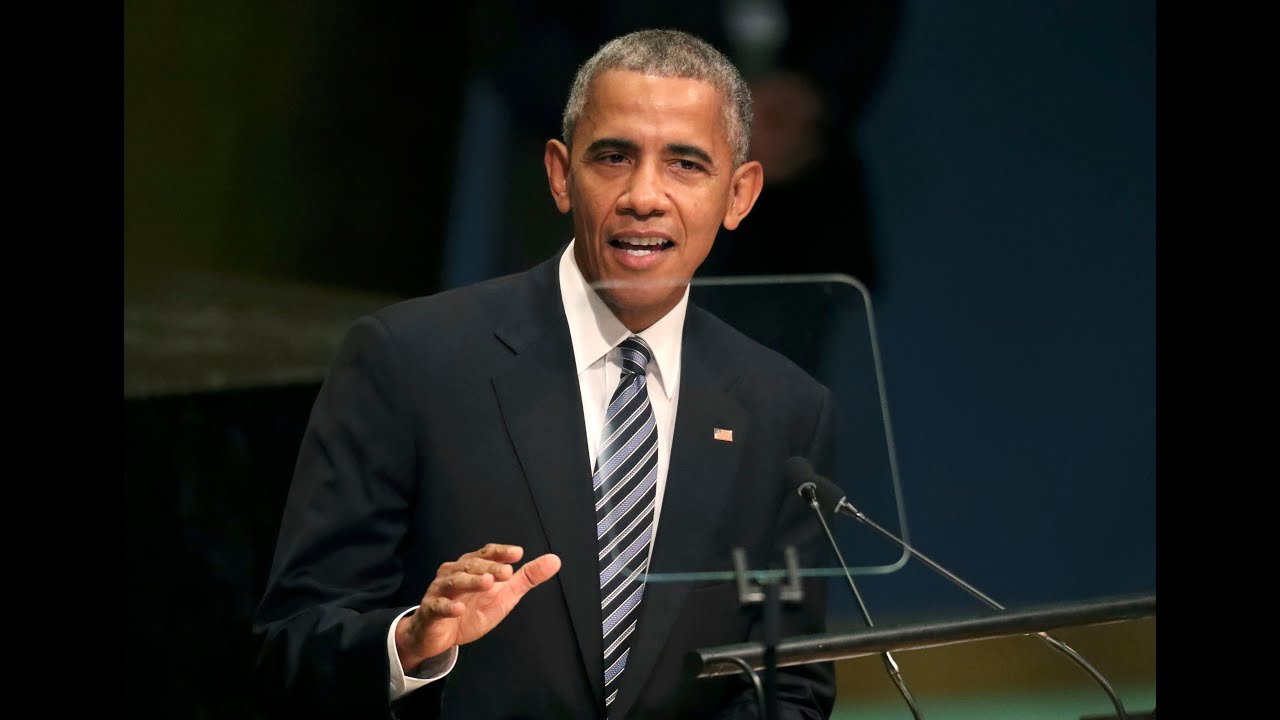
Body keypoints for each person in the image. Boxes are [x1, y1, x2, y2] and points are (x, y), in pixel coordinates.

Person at [252, 28, 837, 719]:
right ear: (561, 175)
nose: (644, 196)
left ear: (739, 194)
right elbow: (291, 645)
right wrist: (410, 643)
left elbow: (789, 685)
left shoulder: (786, 410)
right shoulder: (407, 360)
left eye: (685, 164)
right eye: (614, 157)